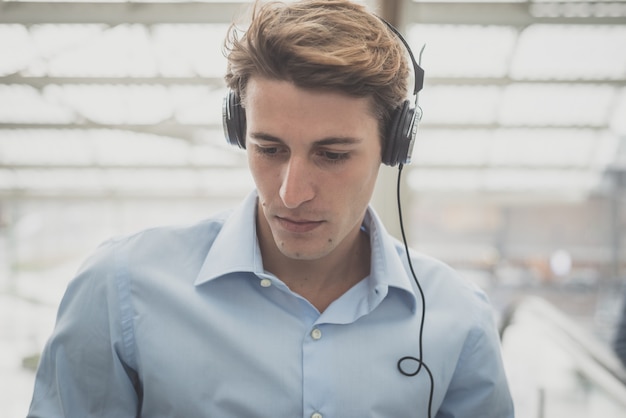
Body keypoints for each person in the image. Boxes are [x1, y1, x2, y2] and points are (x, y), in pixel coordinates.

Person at [27, 0, 514, 416]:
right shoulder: (120, 289)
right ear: (240, 131)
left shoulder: (458, 318)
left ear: (393, 146)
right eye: (269, 148)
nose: (291, 192)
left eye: (332, 155)